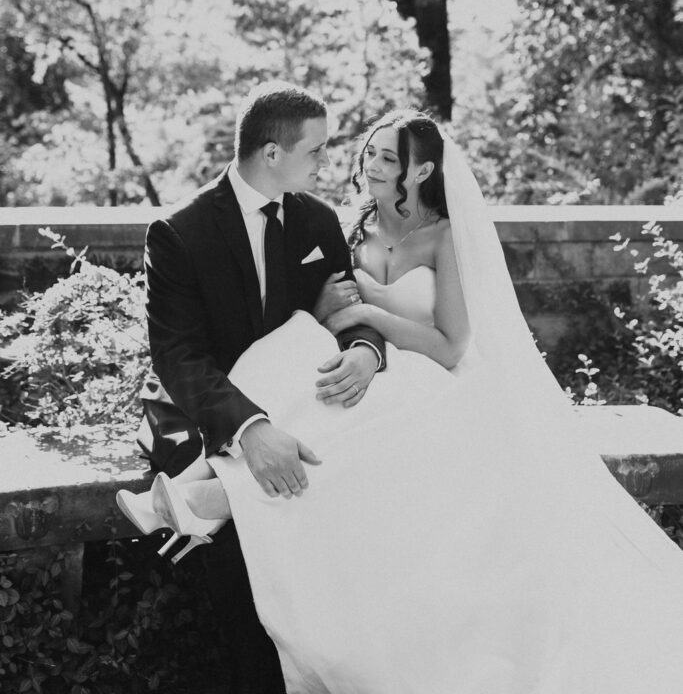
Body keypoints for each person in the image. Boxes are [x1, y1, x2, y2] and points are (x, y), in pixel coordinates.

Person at [121, 109, 683, 693]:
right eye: (361, 152)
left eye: (387, 157)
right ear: (271, 154)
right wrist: (338, 331)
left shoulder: (433, 232)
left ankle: (209, 496)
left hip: (432, 375)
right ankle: (205, 488)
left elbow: (449, 343)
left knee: (369, 442)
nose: (359, 163)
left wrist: (365, 329)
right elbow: (284, 325)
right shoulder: (340, 224)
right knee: (324, 396)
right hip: (319, 385)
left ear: (422, 172)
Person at [122, 82, 386, 694]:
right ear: (272, 153)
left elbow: (354, 311)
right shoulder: (180, 231)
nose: (326, 163)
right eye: (316, 151)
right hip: (217, 421)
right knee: (252, 585)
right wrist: (251, 430)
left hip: (309, 416)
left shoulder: (318, 220)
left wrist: (367, 353)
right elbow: (179, 356)